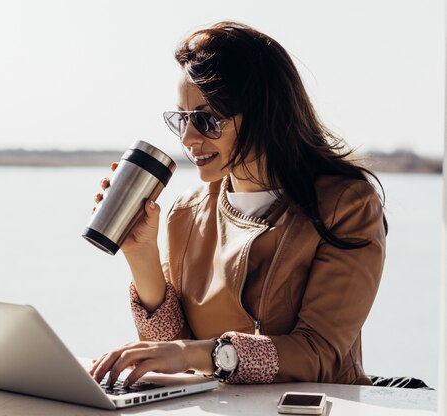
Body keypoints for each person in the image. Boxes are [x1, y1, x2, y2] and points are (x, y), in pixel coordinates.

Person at [89, 21, 387, 388]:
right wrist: (141, 253)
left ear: (265, 114)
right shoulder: (186, 213)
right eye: (182, 119)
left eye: (206, 119)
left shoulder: (346, 205)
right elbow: (172, 354)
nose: (188, 138)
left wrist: (199, 354)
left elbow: (320, 354)